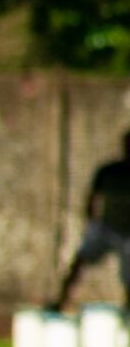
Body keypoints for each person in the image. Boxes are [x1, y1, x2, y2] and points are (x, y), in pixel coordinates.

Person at [52, 130, 130, 311]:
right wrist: (92, 222)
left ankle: (127, 311)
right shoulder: (109, 171)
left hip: (128, 233)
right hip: (107, 227)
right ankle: (62, 301)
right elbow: (93, 197)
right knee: (80, 261)